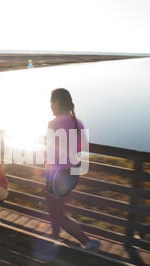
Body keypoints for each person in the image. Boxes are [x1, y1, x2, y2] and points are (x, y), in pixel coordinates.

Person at [45, 88, 101, 251]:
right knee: (59, 209)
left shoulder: (53, 124)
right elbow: (80, 147)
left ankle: (87, 242)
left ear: (56, 102)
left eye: (51, 102)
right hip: (72, 173)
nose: (50, 106)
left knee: (56, 212)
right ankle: (55, 238)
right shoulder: (79, 123)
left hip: (57, 174)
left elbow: (50, 152)